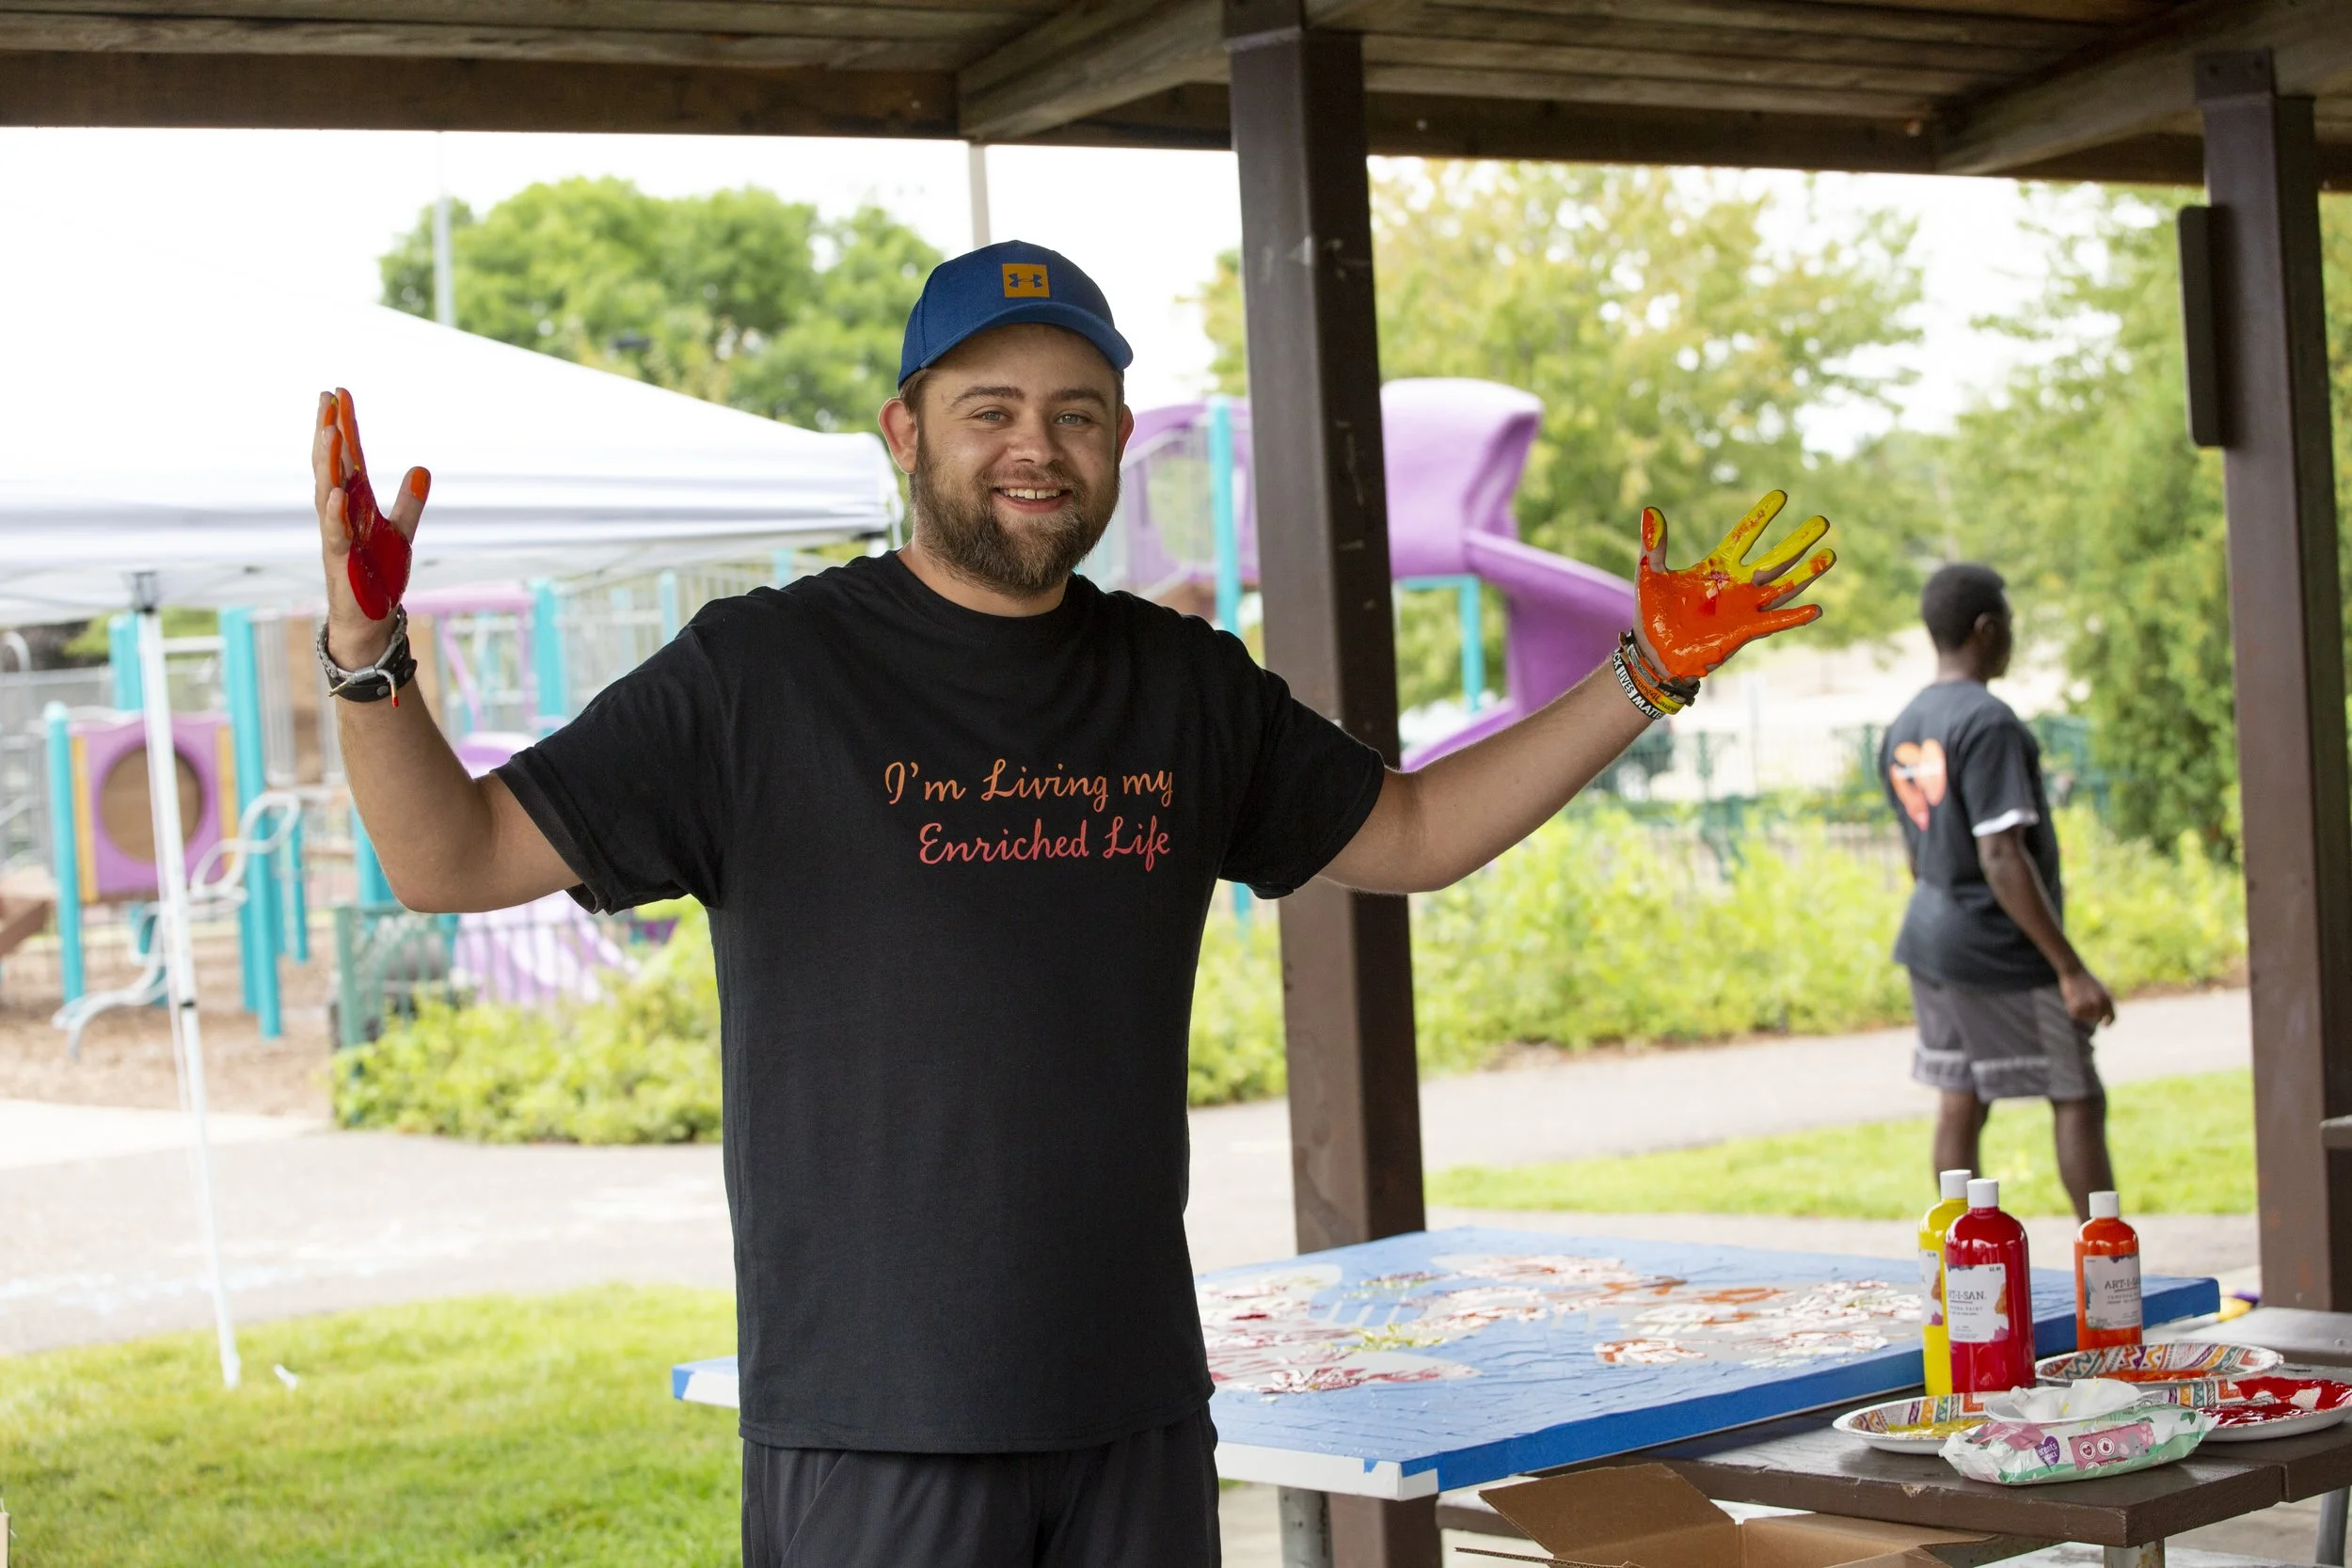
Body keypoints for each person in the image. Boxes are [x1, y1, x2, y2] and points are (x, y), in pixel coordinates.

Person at [310, 239, 1836, 1567]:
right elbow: (452, 860)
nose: (1035, 448)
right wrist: (370, 656)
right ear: (905, 431)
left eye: (1076, 414)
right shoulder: (759, 678)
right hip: (873, 1423)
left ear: (1115, 445)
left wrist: (1643, 678)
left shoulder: (1178, 686)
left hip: (1133, 1406)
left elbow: (1421, 828)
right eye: (990, 411)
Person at [1883, 563, 2117, 1221]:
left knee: (1961, 1096)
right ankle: (2106, 1269)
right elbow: (2000, 853)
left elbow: (1916, 850)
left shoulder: (1905, 723)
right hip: (1999, 946)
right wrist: (2069, 969)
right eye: (2009, 625)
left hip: (1930, 936)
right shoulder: (1988, 723)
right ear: (1986, 630)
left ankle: (1962, 1264)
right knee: (2076, 1094)